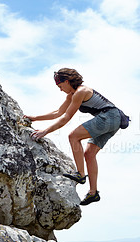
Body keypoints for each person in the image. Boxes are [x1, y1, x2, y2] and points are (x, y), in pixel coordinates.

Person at [24, 68, 121, 206]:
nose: (60, 89)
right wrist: (35, 118)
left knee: (73, 136)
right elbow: (58, 112)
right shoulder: (72, 95)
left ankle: (81, 174)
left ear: (67, 81)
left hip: (109, 116)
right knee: (89, 154)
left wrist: (45, 131)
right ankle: (93, 193)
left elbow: (66, 117)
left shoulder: (81, 92)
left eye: (60, 86)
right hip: (114, 120)